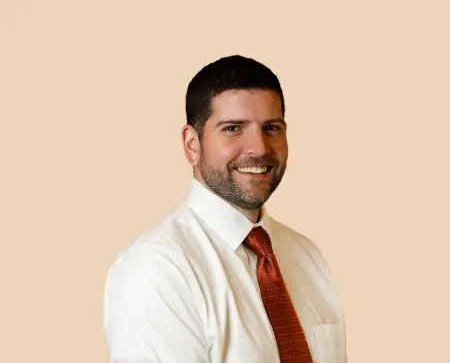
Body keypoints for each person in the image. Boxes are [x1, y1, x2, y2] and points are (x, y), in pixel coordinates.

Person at [102, 55, 347, 363]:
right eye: (233, 128)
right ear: (192, 144)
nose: (258, 147)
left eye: (271, 127)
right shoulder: (156, 270)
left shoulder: (307, 256)